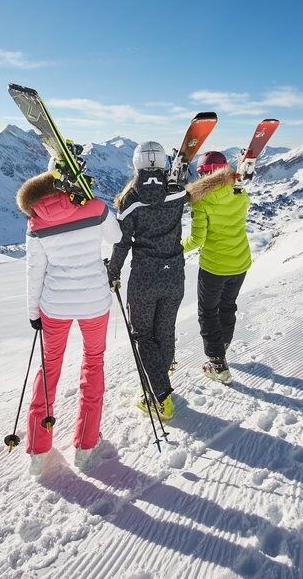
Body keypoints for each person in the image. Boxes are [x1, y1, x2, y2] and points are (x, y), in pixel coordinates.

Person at [16, 166, 122, 474]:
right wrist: (92, 205)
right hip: (94, 303)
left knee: (48, 369)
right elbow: (115, 236)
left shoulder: (35, 220)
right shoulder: (95, 207)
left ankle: (38, 448)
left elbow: (34, 270)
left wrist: (33, 312)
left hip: (55, 304)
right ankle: (85, 445)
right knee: (93, 363)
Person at [106, 141, 187, 421]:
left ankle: (160, 398)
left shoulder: (130, 200)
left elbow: (122, 242)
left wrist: (113, 272)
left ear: (136, 163)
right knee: (164, 330)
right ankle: (160, 383)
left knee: (143, 335)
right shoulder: (178, 191)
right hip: (174, 274)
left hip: (145, 278)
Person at [182, 151, 251, 384]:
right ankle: (222, 346)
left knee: (208, 312)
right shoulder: (240, 192)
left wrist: (174, 247)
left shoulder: (201, 200)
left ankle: (217, 363)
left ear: (201, 174)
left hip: (214, 267)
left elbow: (196, 240)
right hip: (240, 263)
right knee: (228, 306)